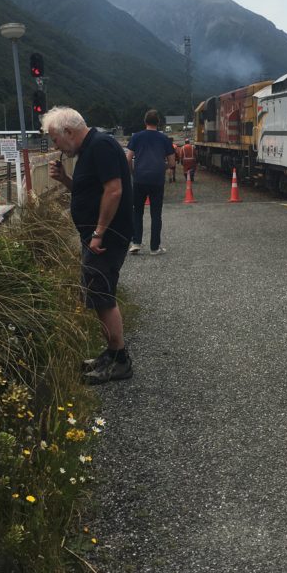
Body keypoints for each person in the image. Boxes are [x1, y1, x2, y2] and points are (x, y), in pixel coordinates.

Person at [43, 106, 135, 384]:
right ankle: (111, 352)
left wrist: (98, 233)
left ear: (68, 132)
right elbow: (89, 191)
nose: (55, 146)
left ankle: (120, 361)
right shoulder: (89, 149)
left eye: (55, 140)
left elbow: (114, 189)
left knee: (103, 296)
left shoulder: (101, 146)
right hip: (99, 236)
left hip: (106, 238)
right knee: (98, 295)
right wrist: (65, 180)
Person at [126, 109, 176, 255]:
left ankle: (136, 242)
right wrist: (162, 167)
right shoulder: (164, 139)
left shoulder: (137, 137)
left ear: (145, 122)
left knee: (137, 212)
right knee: (156, 214)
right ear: (158, 123)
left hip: (140, 178)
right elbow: (172, 162)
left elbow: (128, 159)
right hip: (157, 180)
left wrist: (133, 172)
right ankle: (154, 247)